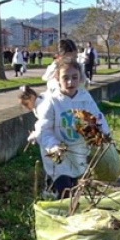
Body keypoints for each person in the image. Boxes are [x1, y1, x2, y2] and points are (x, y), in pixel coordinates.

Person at [35, 58, 111, 198]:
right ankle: (62, 212)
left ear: (80, 78)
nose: (70, 82)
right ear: (57, 78)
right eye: (65, 78)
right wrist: (53, 146)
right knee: (64, 191)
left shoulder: (85, 99)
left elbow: (98, 118)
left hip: (78, 152)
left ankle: (70, 211)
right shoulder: (52, 101)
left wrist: (104, 135)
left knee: (76, 187)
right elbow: (43, 129)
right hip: (59, 155)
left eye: (74, 77)